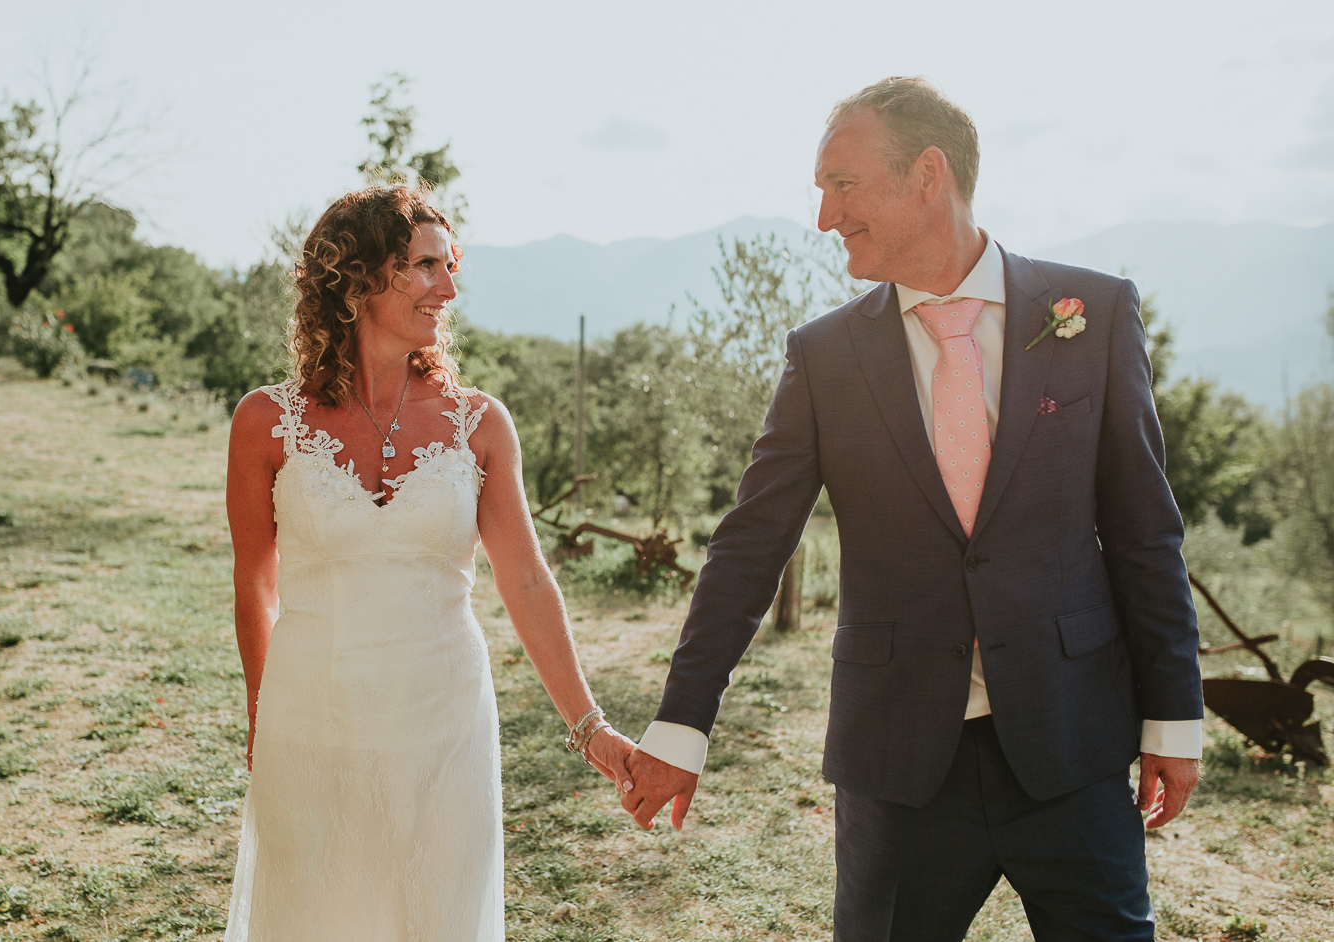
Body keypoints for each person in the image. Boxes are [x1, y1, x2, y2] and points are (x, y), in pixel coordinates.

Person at [622, 77, 1203, 941]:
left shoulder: (1096, 313)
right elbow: (750, 546)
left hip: (1072, 743)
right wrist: (681, 724)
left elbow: (1143, 527)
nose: (824, 216)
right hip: (898, 764)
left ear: (928, 175)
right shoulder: (823, 356)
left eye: (842, 184)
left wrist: (1174, 713)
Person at [223, 185, 634, 941]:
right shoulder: (264, 422)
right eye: (424, 267)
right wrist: (262, 712)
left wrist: (589, 725)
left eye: (450, 268)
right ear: (356, 279)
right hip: (311, 717)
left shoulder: (479, 423)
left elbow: (526, 580)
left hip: (444, 721)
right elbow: (255, 580)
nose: (447, 288)